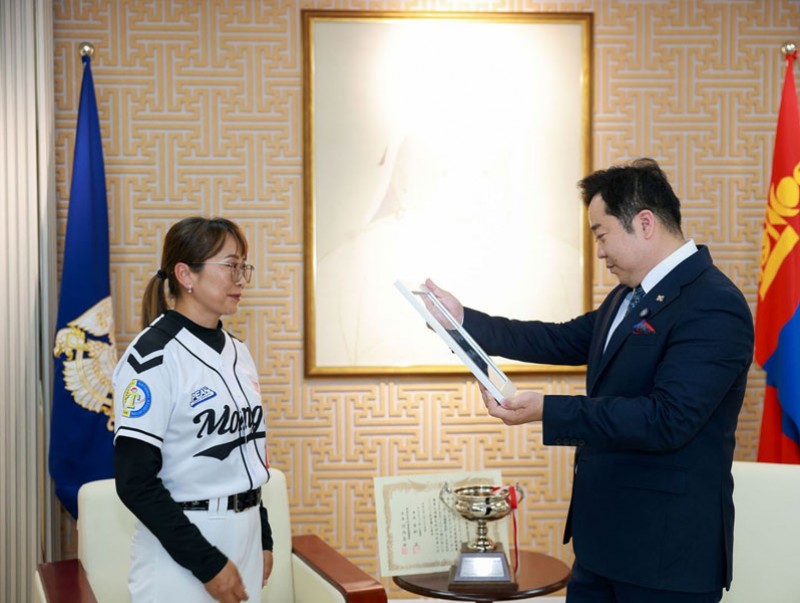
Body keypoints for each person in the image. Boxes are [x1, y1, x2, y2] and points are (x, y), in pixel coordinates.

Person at [425, 158, 754, 603]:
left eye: (601, 234)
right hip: (601, 547)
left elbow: (667, 419)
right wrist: (463, 322)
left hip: (666, 558)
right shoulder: (628, 296)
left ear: (644, 223)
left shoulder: (714, 304)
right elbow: (558, 339)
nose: (599, 252)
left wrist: (548, 410)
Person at [113, 216, 273, 603]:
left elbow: (246, 454)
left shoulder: (239, 352)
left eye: (243, 267)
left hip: (246, 535)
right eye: (230, 266)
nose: (240, 279)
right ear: (186, 274)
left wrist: (264, 535)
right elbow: (135, 482)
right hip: (185, 547)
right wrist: (207, 564)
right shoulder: (152, 358)